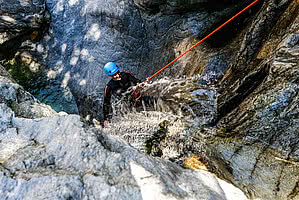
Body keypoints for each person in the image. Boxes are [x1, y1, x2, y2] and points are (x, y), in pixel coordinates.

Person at [102, 62, 141, 128]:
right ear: (110, 76)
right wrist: (106, 119)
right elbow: (106, 103)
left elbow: (136, 81)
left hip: (135, 98)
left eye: (117, 72)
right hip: (125, 105)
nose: (117, 76)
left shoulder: (126, 75)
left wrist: (139, 84)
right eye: (114, 75)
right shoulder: (109, 87)